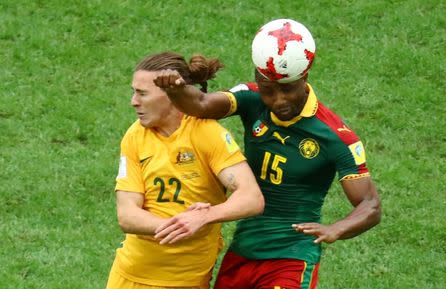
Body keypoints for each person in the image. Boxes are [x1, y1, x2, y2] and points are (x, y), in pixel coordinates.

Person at [153, 19, 382, 289]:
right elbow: (201, 104)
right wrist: (177, 90)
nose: (278, 101)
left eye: (287, 89)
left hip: (291, 257)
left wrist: (336, 229)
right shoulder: (250, 99)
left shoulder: (335, 136)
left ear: (304, 78)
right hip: (244, 251)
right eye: (268, 90)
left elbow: (370, 205)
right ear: (257, 78)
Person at [106, 51, 265, 289]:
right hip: (128, 276)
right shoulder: (135, 135)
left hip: (186, 282)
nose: (134, 101)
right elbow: (127, 214)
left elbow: (252, 198)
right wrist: (182, 223)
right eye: (134, 92)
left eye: (142, 94)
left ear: (170, 95)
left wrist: (205, 216)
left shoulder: (208, 134)